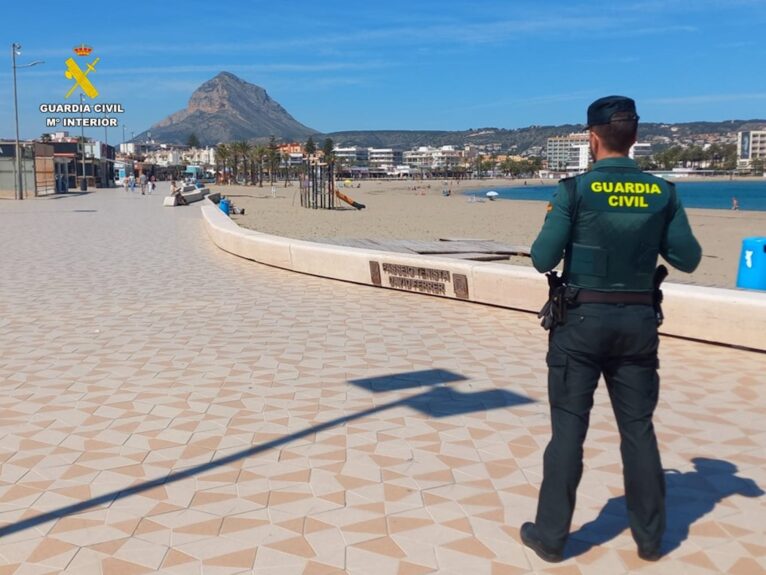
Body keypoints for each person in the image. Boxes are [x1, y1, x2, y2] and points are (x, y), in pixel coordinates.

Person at [521, 96, 702, 563]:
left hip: (579, 324)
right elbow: (688, 257)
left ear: (592, 137)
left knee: (567, 431)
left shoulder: (574, 192)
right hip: (638, 323)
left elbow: (542, 257)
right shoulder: (663, 193)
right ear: (635, 137)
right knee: (638, 429)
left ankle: (552, 536)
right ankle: (649, 538)